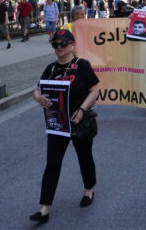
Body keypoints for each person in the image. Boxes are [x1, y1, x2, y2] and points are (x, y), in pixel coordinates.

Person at [30, 29, 100, 223]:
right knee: (52, 164)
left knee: (84, 157)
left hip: (79, 122)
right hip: (57, 124)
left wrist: (83, 109)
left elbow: (95, 90)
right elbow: (37, 89)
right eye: (55, 44)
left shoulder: (82, 66)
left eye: (63, 44)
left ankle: (88, 190)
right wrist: (39, 98)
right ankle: (44, 208)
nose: (59, 48)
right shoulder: (51, 69)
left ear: (72, 45)